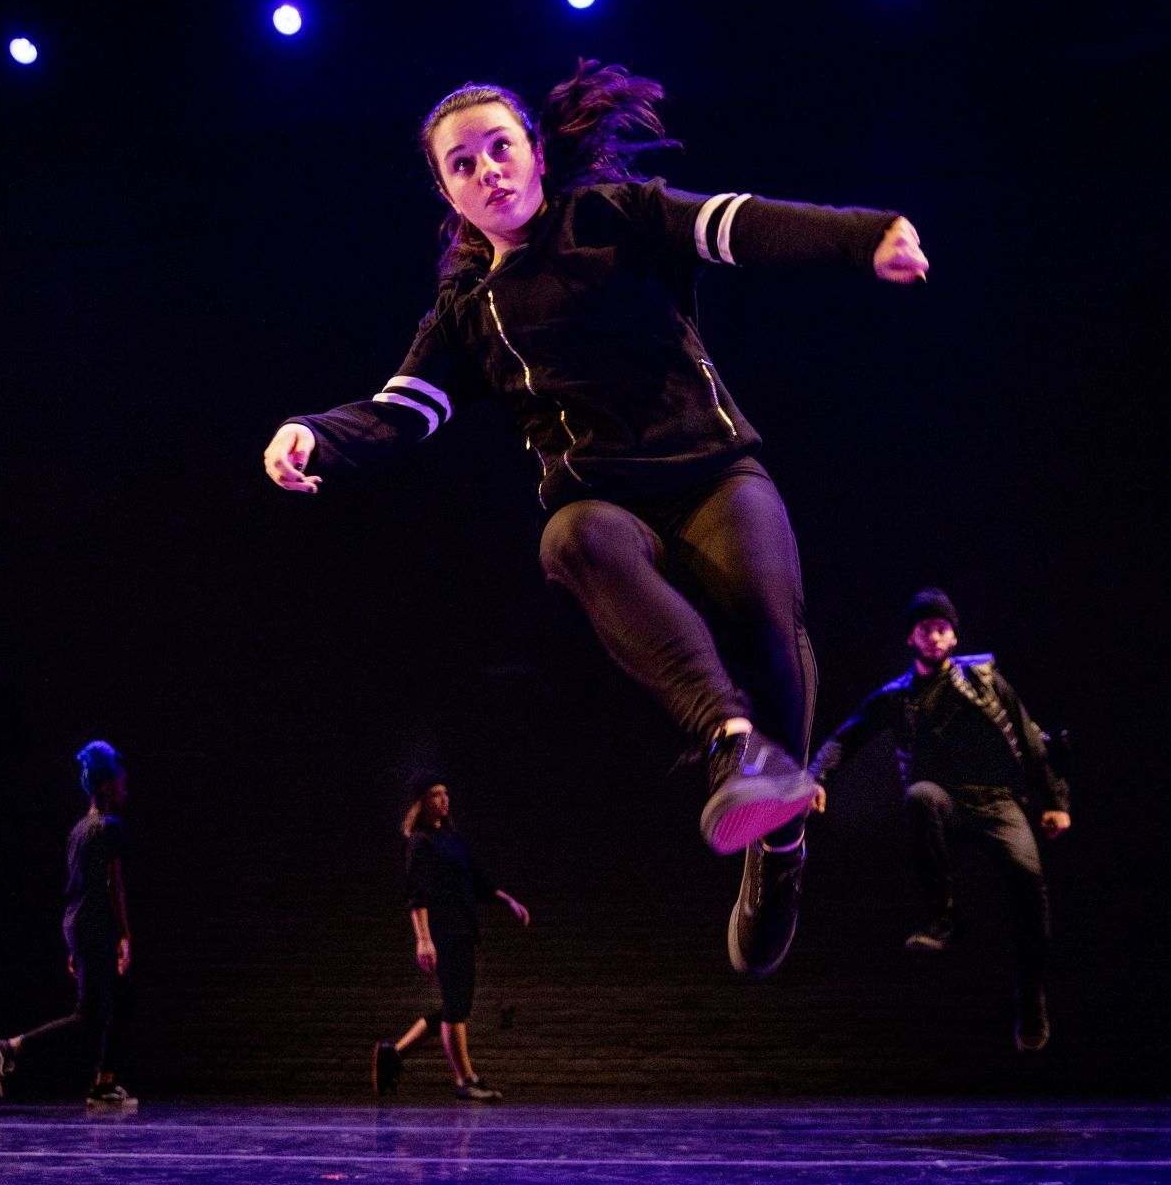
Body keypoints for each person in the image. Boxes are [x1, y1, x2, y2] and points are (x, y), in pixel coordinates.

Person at [263, 61, 929, 977]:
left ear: (537, 152)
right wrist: (310, 433)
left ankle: (779, 846)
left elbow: (739, 222)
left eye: (501, 148)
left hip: (713, 471)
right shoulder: (468, 311)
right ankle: (731, 743)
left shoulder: (619, 215)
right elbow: (399, 410)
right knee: (568, 535)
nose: (488, 170)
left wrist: (863, 236)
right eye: (463, 164)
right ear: (447, 193)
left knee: (768, 623)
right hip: (604, 499)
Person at [810, 588, 1071, 1051]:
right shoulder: (898, 696)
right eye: (925, 628)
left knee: (1030, 885)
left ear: (953, 637)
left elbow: (1029, 737)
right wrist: (815, 778)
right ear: (911, 638)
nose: (934, 635)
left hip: (998, 803)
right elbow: (845, 737)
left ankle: (1031, 1000)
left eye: (942, 628)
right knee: (920, 796)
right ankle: (944, 918)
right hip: (947, 799)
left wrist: (1055, 802)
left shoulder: (986, 680)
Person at [0, 741, 136, 1106]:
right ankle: (10, 1047)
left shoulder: (78, 831)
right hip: (95, 926)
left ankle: (104, 1082)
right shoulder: (110, 827)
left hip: (80, 926)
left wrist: (74, 945)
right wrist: (125, 935)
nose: (126, 791)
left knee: (122, 999)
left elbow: (76, 887)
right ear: (106, 788)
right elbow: (113, 884)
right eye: (121, 784)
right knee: (88, 1015)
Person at [373, 772, 530, 1101]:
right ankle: (465, 1080)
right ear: (422, 802)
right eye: (435, 794)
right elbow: (416, 896)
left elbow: (476, 880)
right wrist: (423, 939)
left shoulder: (452, 838)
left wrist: (508, 901)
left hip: (462, 930)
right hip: (443, 931)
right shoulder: (420, 842)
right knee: (457, 1006)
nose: (444, 799)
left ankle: (393, 1054)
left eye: (445, 793)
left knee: (455, 1005)